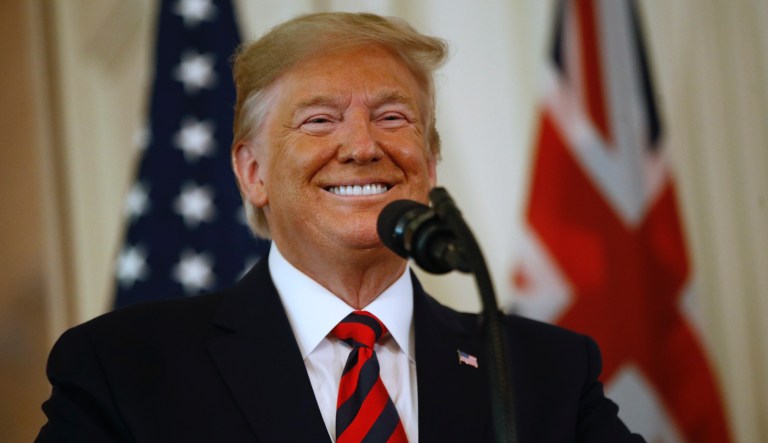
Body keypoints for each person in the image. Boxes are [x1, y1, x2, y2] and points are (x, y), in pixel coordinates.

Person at [36, 12, 645, 443]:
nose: (361, 145)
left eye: (392, 116)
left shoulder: (545, 371)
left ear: (429, 167)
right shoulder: (124, 369)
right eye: (320, 120)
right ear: (252, 173)